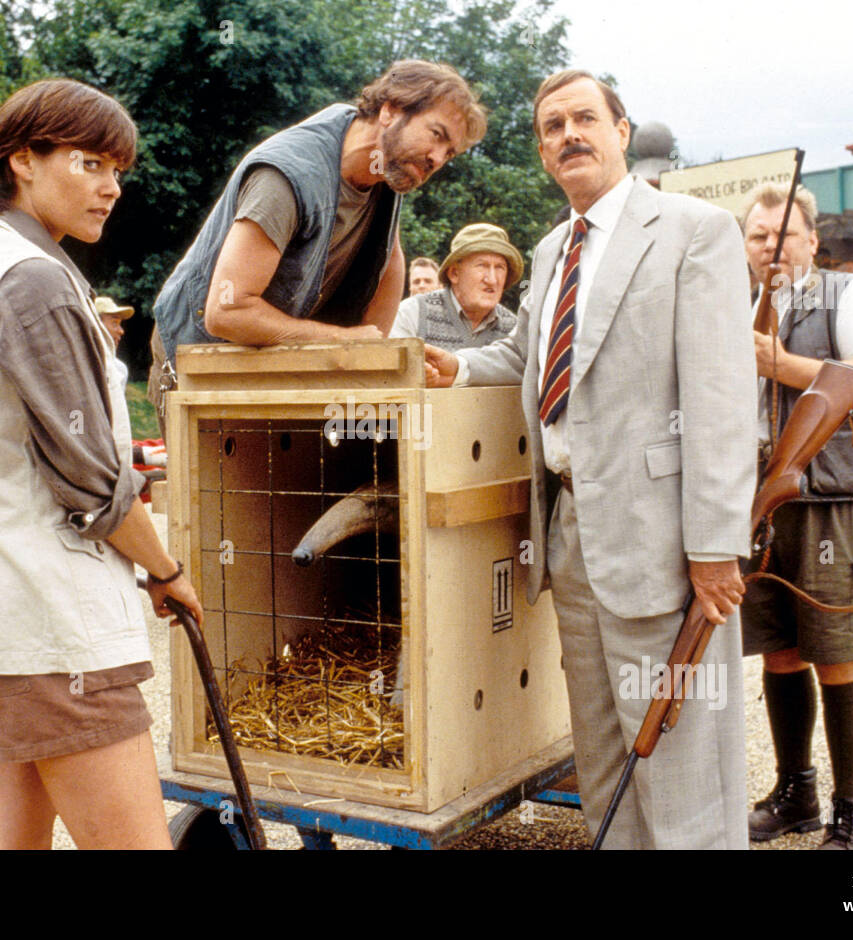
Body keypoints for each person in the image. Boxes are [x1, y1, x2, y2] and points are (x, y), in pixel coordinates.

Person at [426, 69, 757, 849]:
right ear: (542, 150)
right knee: (605, 754)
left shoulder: (694, 230)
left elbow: (719, 398)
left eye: (584, 119)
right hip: (570, 535)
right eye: (551, 127)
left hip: (666, 543)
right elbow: (529, 352)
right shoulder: (551, 249)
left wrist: (714, 548)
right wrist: (460, 366)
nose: (568, 135)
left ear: (621, 131)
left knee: (680, 753)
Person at [0, 79, 202, 850]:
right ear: (21, 161)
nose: (111, 188)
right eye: (90, 163)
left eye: (118, 172)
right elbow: (91, 482)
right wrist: (166, 571)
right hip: (48, 618)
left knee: (9, 837)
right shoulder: (31, 278)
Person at [147, 59, 486, 407]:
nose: (438, 159)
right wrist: (345, 342)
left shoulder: (386, 166)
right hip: (200, 359)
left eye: (450, 153)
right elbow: (227, 311)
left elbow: (389, 257)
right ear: (391, 110)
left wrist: (378, 354)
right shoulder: (286, 177)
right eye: (437, 135)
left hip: (270, 361)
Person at [739, 182, 853, 850]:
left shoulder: (847, 295)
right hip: (760, 503)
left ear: (812, 239)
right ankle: (795, 794)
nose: (769, 248)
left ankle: (852, 812)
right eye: (756, 236)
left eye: (782, 235)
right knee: (778, 652)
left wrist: (782, 365)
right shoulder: (740, 306)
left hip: (834, 499)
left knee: (840, 653)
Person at [388, 223, 521, 349]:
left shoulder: (514, 329)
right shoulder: (412, 313)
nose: (492, 280)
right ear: (454, 273)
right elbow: (392, 371)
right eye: (482, 266)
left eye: (499, 267)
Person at [94, 294, 133, 385]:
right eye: (114, 323)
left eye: (120, 324)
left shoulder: (119, 369)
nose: (121, 331)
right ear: (96, 325)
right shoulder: (79, 365)